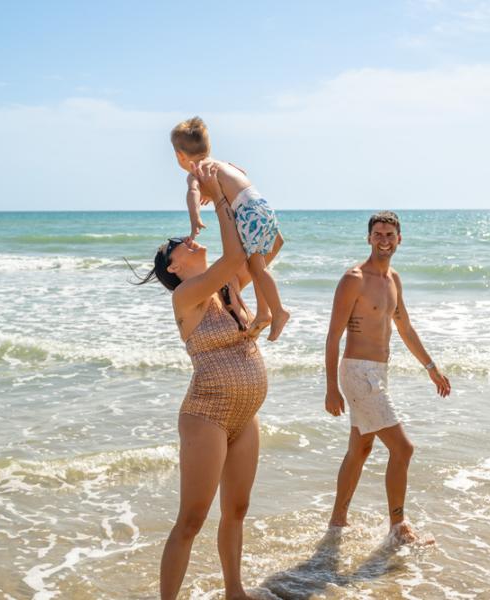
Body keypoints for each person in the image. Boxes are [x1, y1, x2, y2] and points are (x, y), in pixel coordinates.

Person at [131, 163, 270, 599]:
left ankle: (235, 592)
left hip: (244, 416)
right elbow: (232, 256)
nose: (188, 240)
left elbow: (269, 244)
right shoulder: (186, 296)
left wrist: (232, 186)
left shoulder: (229, 288)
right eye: (179, 245)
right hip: (206, 414)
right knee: (191, 518)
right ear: (174, 266)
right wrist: (219, 200)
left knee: (238, 509)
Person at [324, 211, 451, 544]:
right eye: (377, 234)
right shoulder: (354, 278)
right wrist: (331, 388)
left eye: (389, 234)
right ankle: (399, 528)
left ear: (399, 239)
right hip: (357, 373)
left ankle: (337, 523)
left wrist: (431, 367)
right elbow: (333, 335)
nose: (384, 240)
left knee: (361, 449)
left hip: (379, 373)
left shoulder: (394, 279)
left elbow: (405, 328)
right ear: (368, 238)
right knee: (404, 449)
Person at [171, 116, 290, 341]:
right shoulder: (221, 164)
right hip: (261, 205)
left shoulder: (195, 172)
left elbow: (193, 192)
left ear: (180, 156)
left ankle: (278, 311)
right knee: (257, 264)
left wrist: (195, 219)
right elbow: (239, 173)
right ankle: (264, 312)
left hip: (246, 213)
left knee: (257, 268)